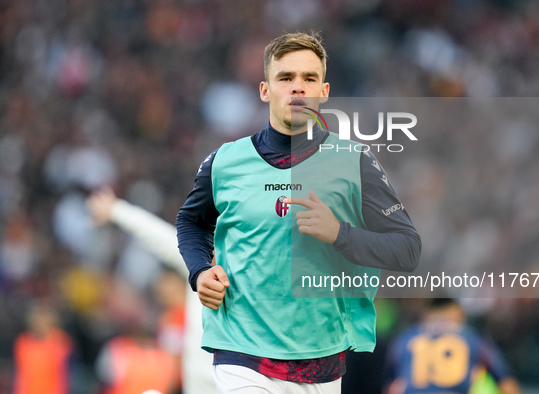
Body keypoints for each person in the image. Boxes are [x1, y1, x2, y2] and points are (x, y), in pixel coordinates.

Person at [176, 31, 421, 393]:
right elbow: (191, 222)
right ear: (265, 90)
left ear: (323, 92)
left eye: (309, 79)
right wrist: (199, 271)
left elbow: (407, 249)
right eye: (286, 78)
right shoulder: (224, 162)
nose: (297, 88)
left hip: (321, 359)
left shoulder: (354, 162)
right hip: (241, 350)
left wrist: (340, 233)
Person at [86, 188, 215, 394]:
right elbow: (163, 238)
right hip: (198, 384)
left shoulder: (248, 270)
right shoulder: (199, 263)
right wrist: (118, 211)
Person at [383, 298, 521, 394]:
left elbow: (392, 386)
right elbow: (506, 382)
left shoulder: (404, 339)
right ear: (457, 313)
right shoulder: (472, 338)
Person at [13, 302, 74, 394]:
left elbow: (63, 370)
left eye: (44, 320)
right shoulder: (23, 342)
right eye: (37, 320)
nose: (40, 323)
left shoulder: (59, 341)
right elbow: (22, 373)